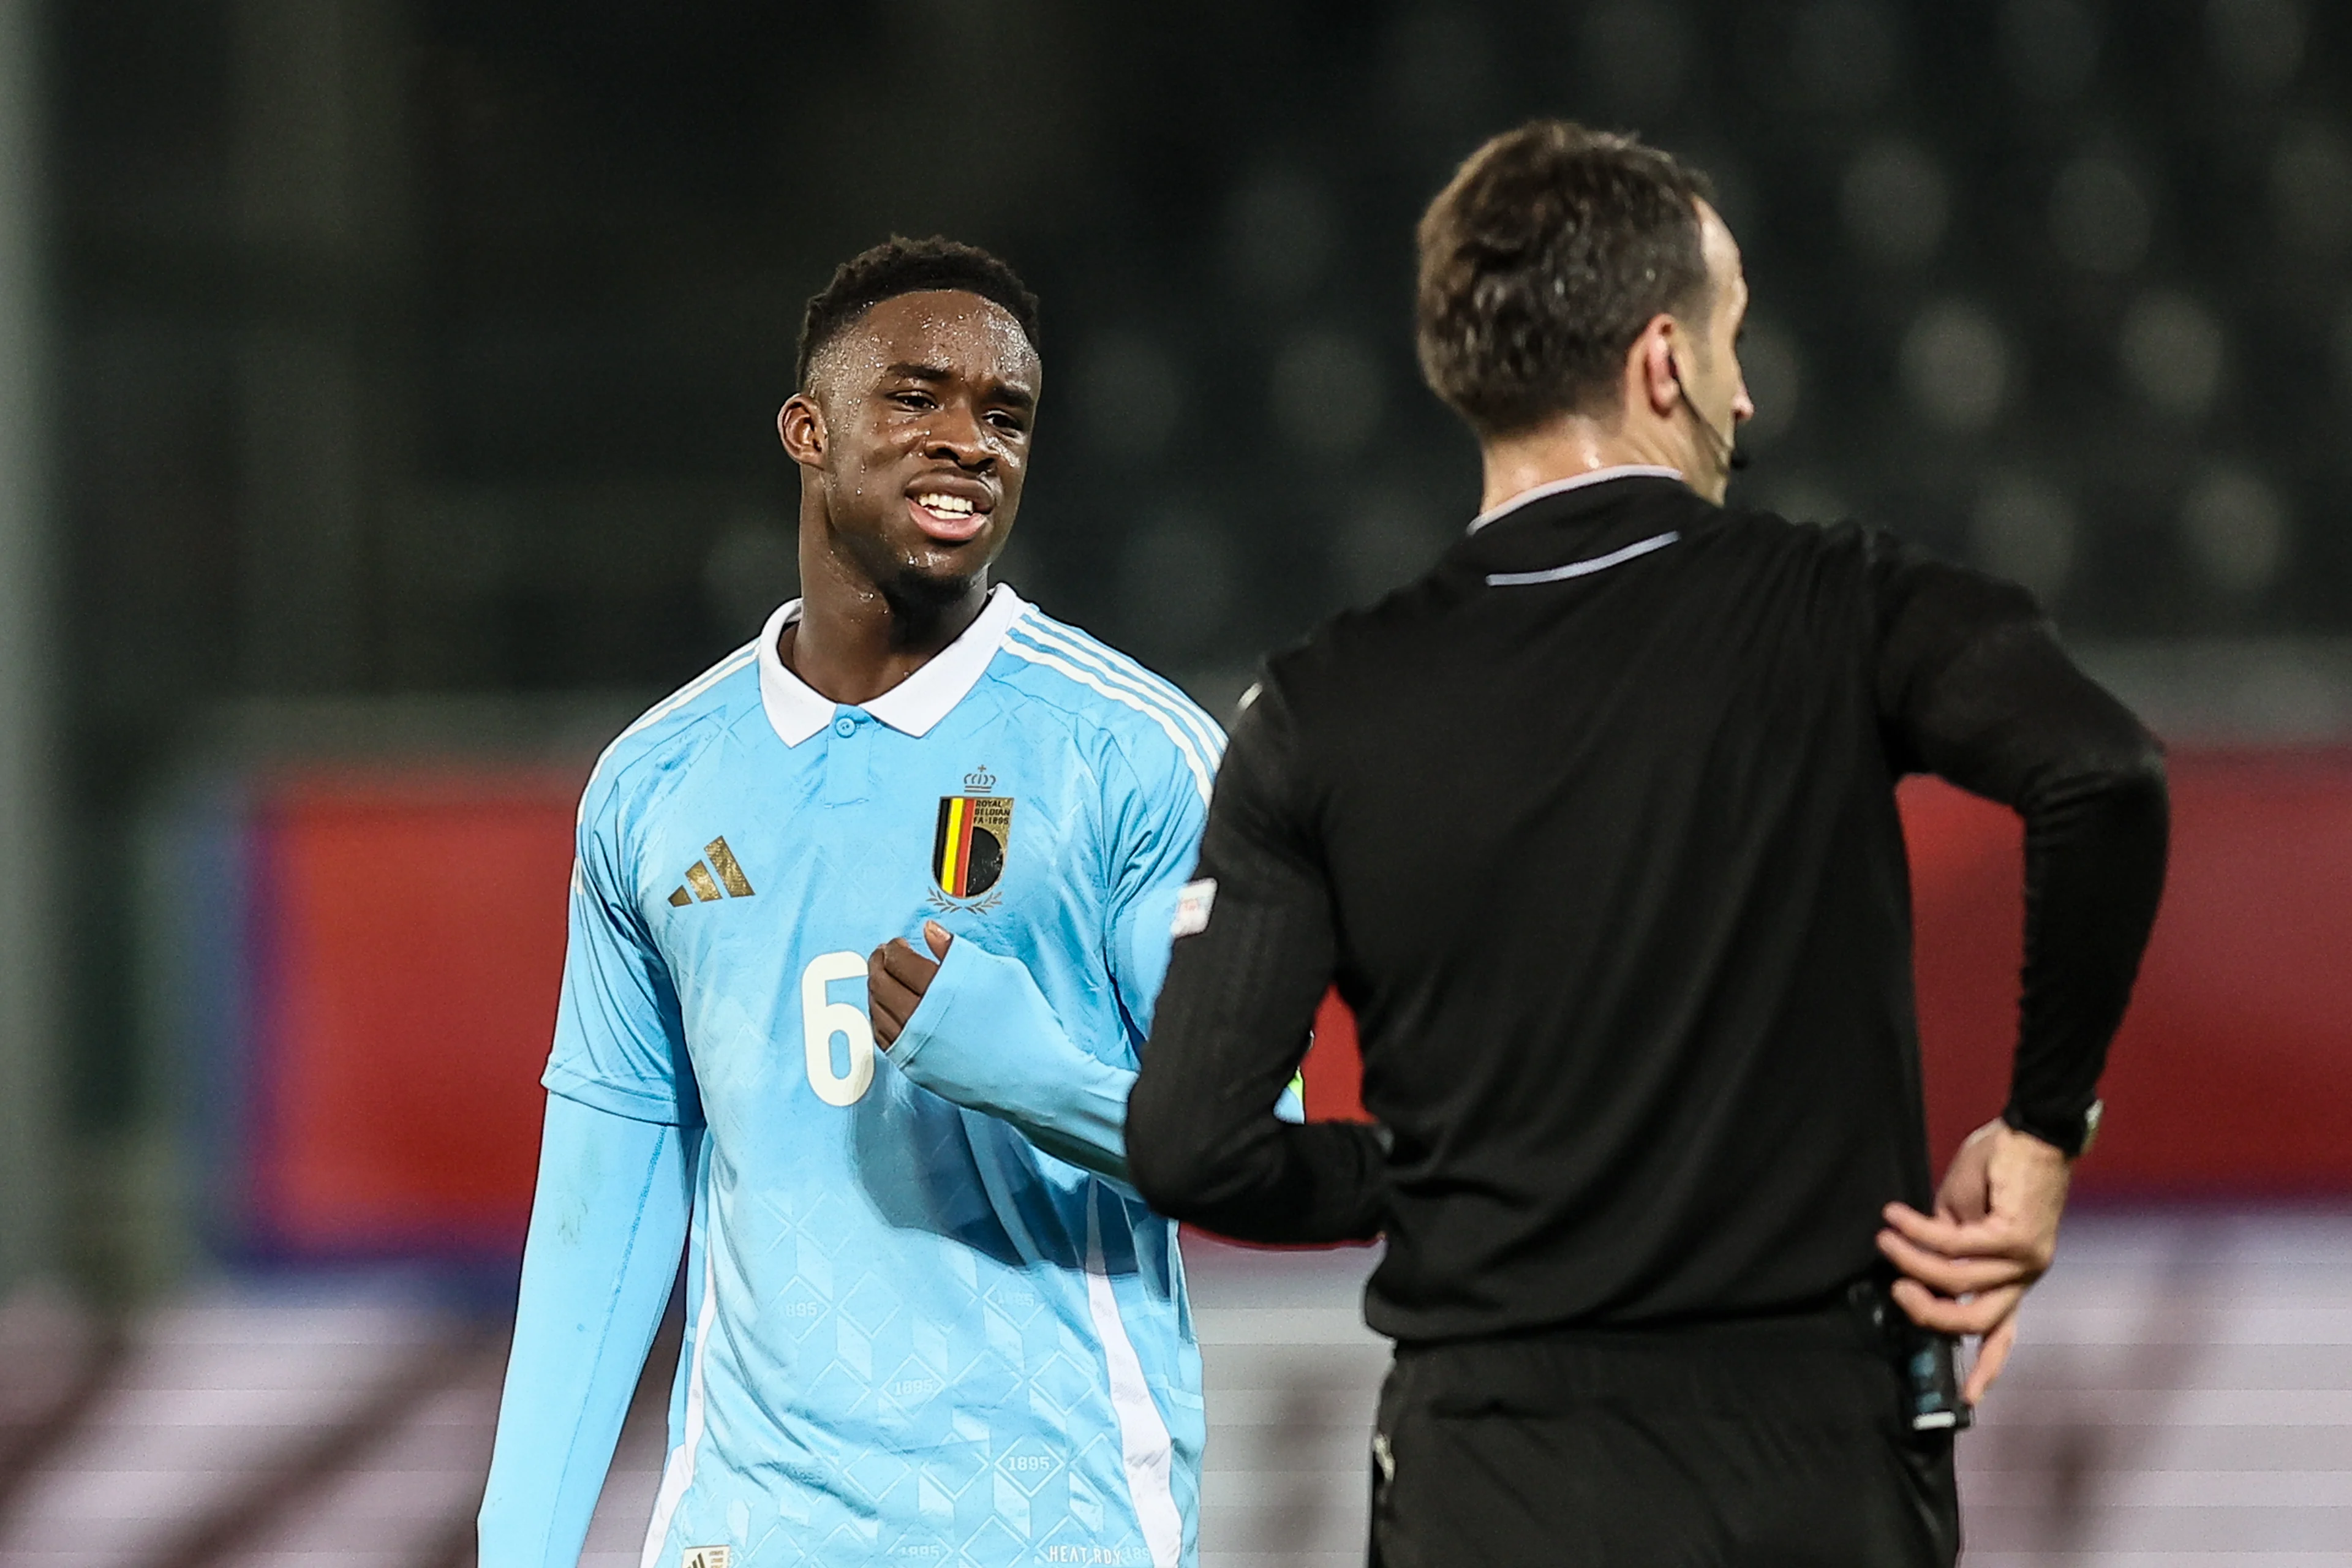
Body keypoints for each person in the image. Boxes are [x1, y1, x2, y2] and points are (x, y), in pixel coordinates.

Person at [1126, 121, 2169, 1566]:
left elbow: (1190, 1146)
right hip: (1817, 1457)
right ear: (1665, 360)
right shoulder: (1841, 607)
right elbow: (2103, 773)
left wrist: (1431, 1173)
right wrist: (2046, 1130)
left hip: (1491, 1470)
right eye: (1735, 337)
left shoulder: (1317, 707)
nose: (1748, 392)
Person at [478, 236, 1239, 1568]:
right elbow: (601, 1214)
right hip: (750, 1529)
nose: (968, 440)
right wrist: (519, 1545)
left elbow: (1260, 1141)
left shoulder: (1134, 755)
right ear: (807, 430)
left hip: (1053, 1527)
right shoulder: (656, 783)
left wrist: (1032, 1072)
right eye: (917, 396)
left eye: (1004, 415)